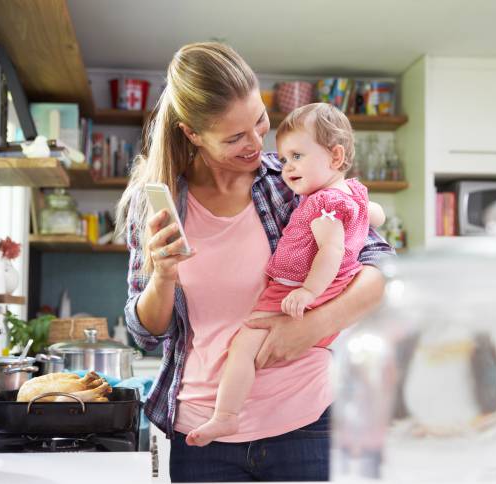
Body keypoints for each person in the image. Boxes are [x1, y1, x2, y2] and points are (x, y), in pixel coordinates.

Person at [116, 42, 395, 482]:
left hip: (307, 424)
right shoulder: (155, 205)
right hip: (202, 441)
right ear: (192, 134)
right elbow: (146, 335)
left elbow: (382, 273)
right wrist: (163, 276)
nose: (258, 143)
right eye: (235, 137)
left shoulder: (294, 182)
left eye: (260, 121)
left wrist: (309, 328)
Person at [185, 103, 386, 447]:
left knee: (243, 346)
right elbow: (374, 217)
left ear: (335, 157)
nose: (286, 167)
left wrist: (308, 292)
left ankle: (225, 417)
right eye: (284, 157)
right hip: (323, 297)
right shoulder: (350, 194)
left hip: (294, 292)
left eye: (296, 156)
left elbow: (331, 251)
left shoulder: (323, 205)